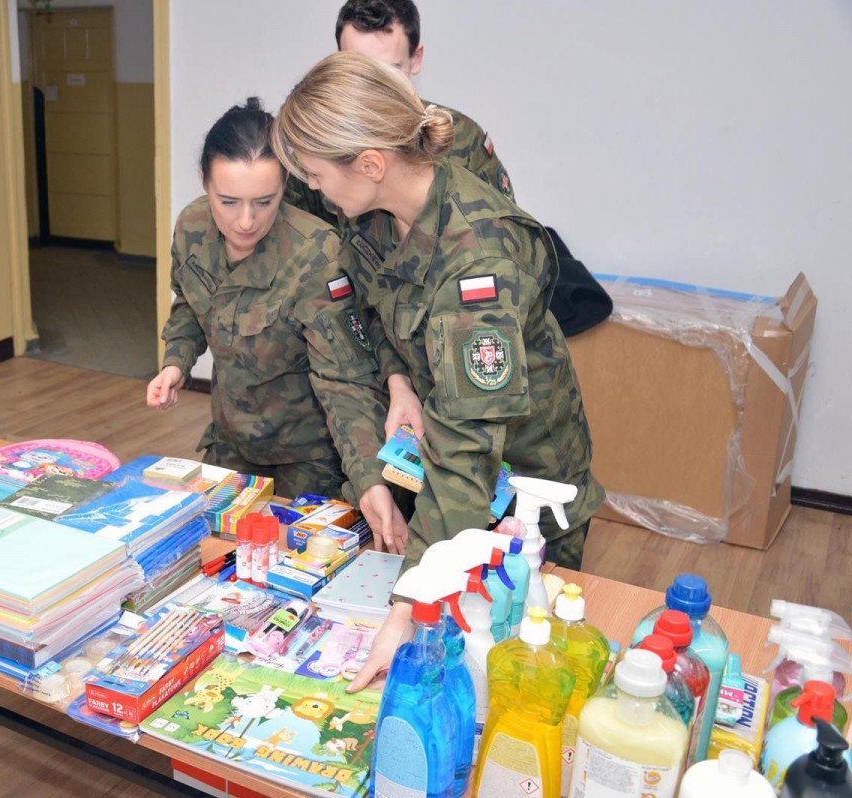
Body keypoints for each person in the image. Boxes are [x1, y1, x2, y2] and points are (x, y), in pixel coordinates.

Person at [271, 53, 605, 690]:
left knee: (511, 665)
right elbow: (385, 305)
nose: (313, 189)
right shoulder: (372, 208)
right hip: (452, 456)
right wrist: (399, 379)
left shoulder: (480, 257)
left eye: (315, 174)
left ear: (370, 164)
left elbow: (469, 449)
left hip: (526, 485)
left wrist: (405, 607)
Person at [147, 98, 406, 551]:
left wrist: (369, 479)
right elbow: (189, 302)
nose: (245, 221)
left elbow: (346, 382)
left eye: (263, 202)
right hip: (230, 447)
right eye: (227, 201)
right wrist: (176, 362)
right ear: (204, 184)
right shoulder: (191, 226)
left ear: (286, 183)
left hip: (304, 463)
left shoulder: (317, 255)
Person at [285, 0, 513, 226]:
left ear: (416, 58)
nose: (374, 88)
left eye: (389, 72)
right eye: (358, 71)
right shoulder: (318, 148)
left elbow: (504, 234)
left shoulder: (463, 140)